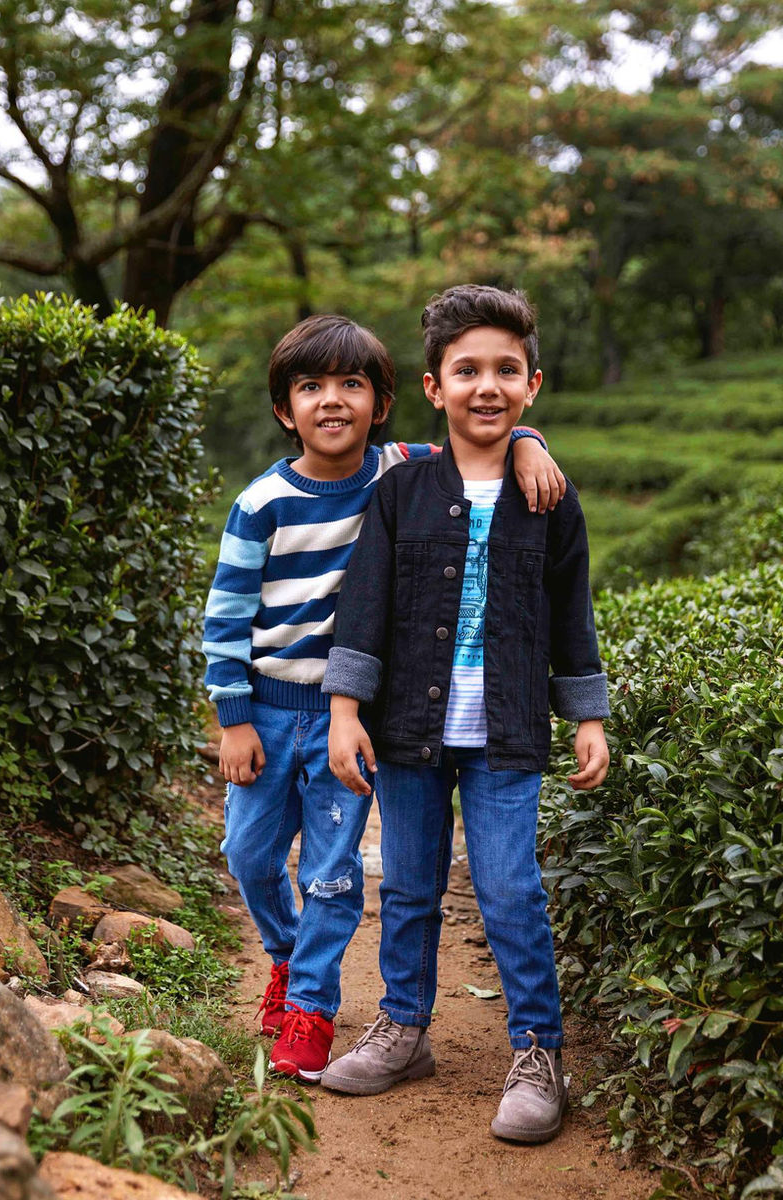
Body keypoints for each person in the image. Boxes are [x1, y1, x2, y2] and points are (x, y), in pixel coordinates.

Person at [202, 311, 565, 1083]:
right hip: (267, 708)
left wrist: (532, 442)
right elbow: (225, 618)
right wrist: (231, 718)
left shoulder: (398, 470)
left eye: (352, 384)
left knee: (333, 871)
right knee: (247, 853)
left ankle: (311, 1008)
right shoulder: (261, 502)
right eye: (310, 387)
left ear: (384, 401)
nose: (332, 401)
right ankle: (283, 954)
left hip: (351, 716)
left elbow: (482, 433)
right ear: (283, 408)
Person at [321, 284, 611, 1142]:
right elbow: (363, 608)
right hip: (408, 732)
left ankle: (537, 1052)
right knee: (407, 886)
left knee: (510, 889)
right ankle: (404, 1030)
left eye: (507, 371)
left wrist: (586, 716)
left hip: (507, 734)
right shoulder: (400, 492)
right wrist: (345, 711)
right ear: (434, 387)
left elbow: (573, 617)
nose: (488, 385)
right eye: (467, 370)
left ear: (534, 384)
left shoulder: (549, 497)